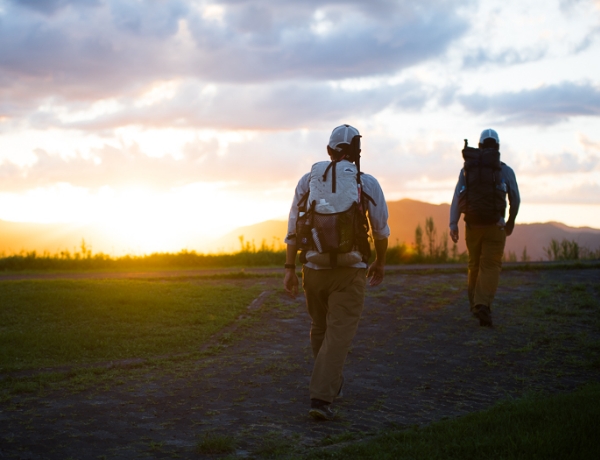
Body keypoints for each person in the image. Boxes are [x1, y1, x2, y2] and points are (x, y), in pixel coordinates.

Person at [283, 124, 390, 420]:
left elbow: (292, 228)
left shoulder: (308, 181)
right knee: (339, 335)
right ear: (357, 152)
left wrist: (290, 268)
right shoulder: (366, 183)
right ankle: (321, 398)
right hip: (350, 270)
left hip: (313, 270)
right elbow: (380, 229)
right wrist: (380, 261)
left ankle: (327, 382)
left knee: (320, 328)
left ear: (329, 151)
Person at [449, 128, 520, 327]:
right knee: (490, 265)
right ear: (497, 147)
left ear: (479, 146)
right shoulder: (505, 170)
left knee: (474, 265)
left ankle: (475, 305)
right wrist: (510, 221)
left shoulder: (466, 170)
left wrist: (453, 223)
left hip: (472, 225)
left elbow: (457, 196)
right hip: (495, 225)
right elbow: (515, 198)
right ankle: (483, 305)